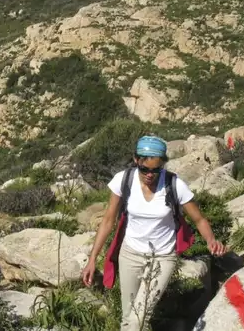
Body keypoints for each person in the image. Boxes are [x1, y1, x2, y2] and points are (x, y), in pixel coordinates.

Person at [81, 135, 227, 330]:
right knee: (128, 317)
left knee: (138, 317)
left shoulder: (174, 184)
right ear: (136, 160)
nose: (150, 174)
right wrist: (92, 259)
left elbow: (199, 219)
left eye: (156, 170)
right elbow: (108, 221)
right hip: (130, 254)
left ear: (163, 165)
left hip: (162, 257)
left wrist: (211, 240)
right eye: (145, 169)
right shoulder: (123, 180)